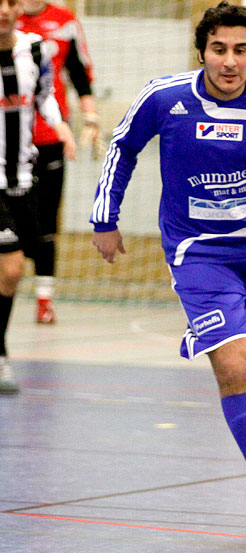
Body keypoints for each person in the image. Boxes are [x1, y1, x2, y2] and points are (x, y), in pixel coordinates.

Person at [90, 2, 246, 544]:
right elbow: (122, 149)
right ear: (202, 50)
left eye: (240, 50)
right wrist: (105, 218)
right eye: (218, 49)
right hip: (198, 257)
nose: (229, 61)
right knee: (233, 366)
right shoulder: (165, 97)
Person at [0, 0, 76, 394]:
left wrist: (61, 126)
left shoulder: (33, 49)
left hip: (22, 178)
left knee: (12, 274)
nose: (3, 10)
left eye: (10, 2)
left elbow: (46, 94)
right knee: (9, 268)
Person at [17, 0, 103, 324]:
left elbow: (80, 75)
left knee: (46, 222)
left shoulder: (65, 21)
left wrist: (90, 119)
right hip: (7, 142)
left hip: (51, 138)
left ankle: (44, 299)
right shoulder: (7, 19)